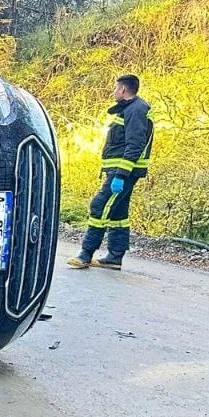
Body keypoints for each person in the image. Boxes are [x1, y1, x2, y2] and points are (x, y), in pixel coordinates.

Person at [69, 74, 154, 271]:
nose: (113, 92)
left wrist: (121, 175)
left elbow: (135, 144)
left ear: (123, 90)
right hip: (120, 171)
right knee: (117, 213)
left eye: (116, 88)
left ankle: (85, 254)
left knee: (99, 206)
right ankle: (114, 257)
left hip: (123, 172)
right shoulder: (129, 109)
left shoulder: (136, 110)